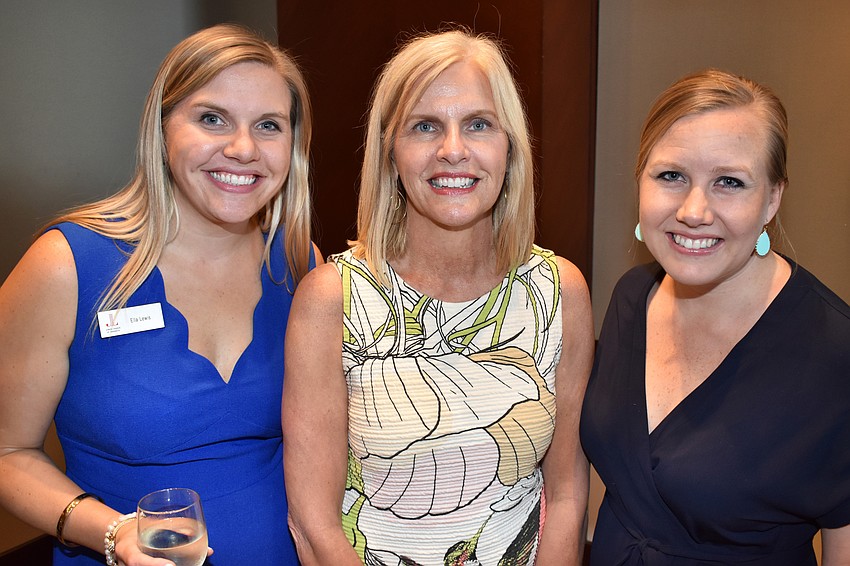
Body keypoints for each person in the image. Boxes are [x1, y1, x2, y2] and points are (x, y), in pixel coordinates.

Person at [0, 23, 317, 565]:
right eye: (212, 118)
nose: (242, 149)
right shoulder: (66, 265)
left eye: (268, 125)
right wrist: (114, 533)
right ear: (162, 128)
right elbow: (8, 452)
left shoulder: (298, 264)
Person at [282, 28, 594, 566]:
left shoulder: (559, 291)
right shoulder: (332, 299)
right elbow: (314, 524)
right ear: (391, 152)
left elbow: (566, 495)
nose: (454, 151)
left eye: (478, 125)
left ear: (510, 147)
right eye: (425, 126)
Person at [580, 68, 850, 565]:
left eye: (729, 182)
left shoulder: (835, 354)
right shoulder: (630, 298)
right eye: (671, 176)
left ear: (772, 199)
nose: (694, 210)